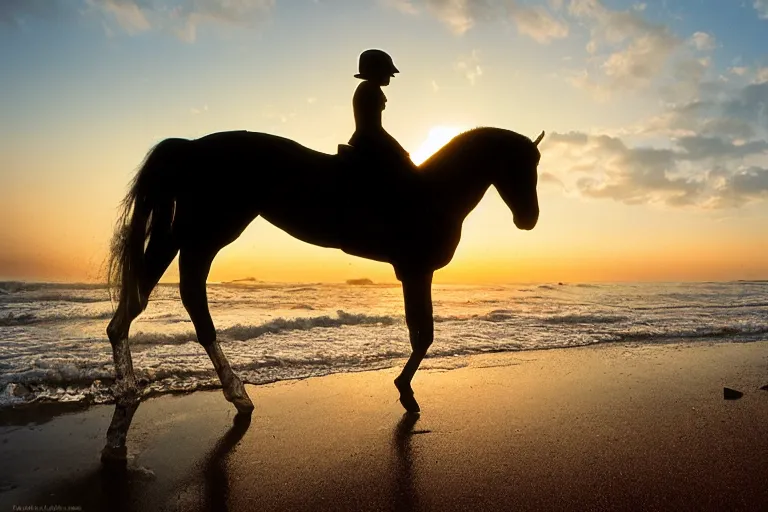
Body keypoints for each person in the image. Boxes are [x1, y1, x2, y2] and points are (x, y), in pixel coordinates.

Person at [347, 49, 413, 172]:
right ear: (377, 71)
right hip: (369, 142)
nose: (390, 76)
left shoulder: (368, 88)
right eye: (387, 72)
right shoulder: (370, 90)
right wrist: (398, 148)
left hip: (368, 140)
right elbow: (375, 129)